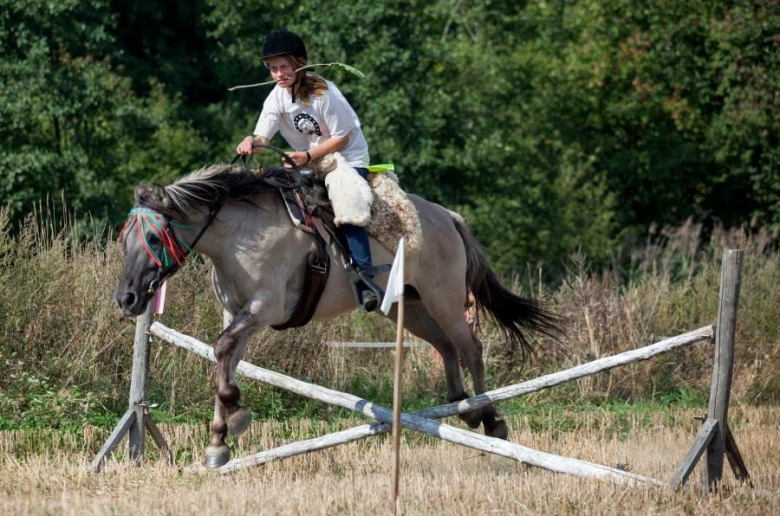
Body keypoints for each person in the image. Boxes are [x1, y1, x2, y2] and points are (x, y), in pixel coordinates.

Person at [236, 29, 380, 311]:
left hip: (346, 159)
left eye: (284, 67)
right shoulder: (276, 97)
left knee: (345, 200)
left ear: (299, 64)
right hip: (308, 162)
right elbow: (264, 141)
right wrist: (250, 142)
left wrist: (308, 154)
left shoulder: (324, 92)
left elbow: (344, 137)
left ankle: (365, 278)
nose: (279, 74)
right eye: (273, 69)